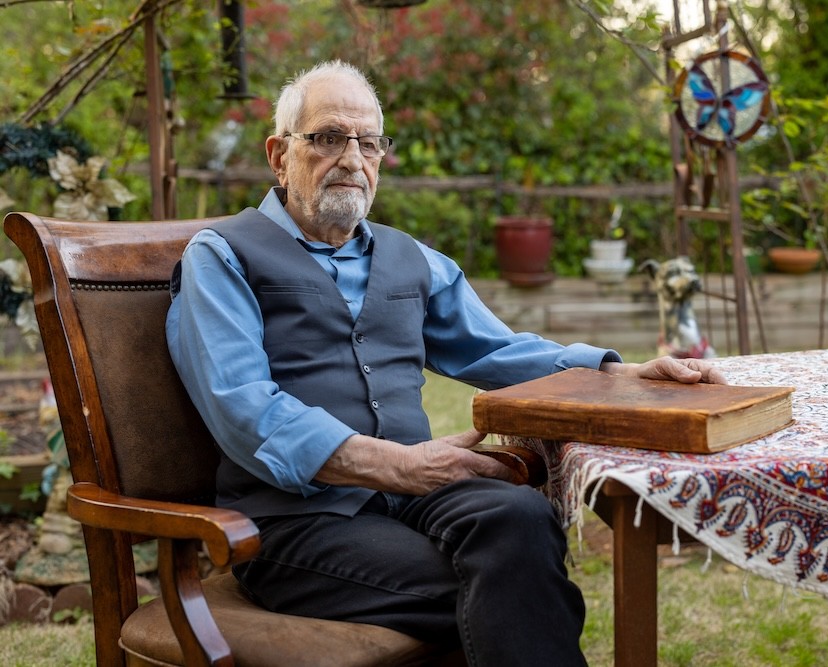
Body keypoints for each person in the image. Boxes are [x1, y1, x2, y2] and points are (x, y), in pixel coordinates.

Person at [166, 60, 726, 666]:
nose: (352, 159)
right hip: (296, 522)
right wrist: (399, 466)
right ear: (279, 154)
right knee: (516, 586)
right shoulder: (221, 256)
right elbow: (242, 407)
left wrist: (618, 374)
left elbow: (497, 350)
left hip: (412, 499)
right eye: (328, 138)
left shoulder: (413, 260)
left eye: (369, 142)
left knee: (522, 518)